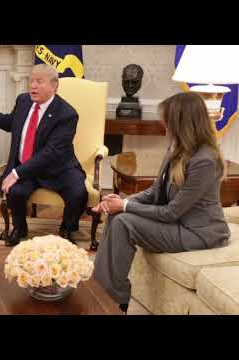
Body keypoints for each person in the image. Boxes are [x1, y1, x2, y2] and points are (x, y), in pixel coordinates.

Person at [92, 92, 231, 314]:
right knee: (118, 216)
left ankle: (110, 300)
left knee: (124, 222)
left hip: (199, 233)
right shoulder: (176, 148)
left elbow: (171, 212)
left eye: (167, 119)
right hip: (178, 224)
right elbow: (156, 192)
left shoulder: (205, 160)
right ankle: (101, 291)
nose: (162, 123)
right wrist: (120, 201)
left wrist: (126, 206)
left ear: (182, 122)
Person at [0, 64, 88, 246]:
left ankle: (67, 228)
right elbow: (10, 123)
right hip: (28, 168)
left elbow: (51, 153)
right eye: (31, 80)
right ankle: (19, 228)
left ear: (54, 86)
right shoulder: (24, 101)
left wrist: (16, 173)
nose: (33, 86)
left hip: (58, 168)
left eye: (39, 82)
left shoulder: (67, 114)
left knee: (78, 193)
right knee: (14, 192)